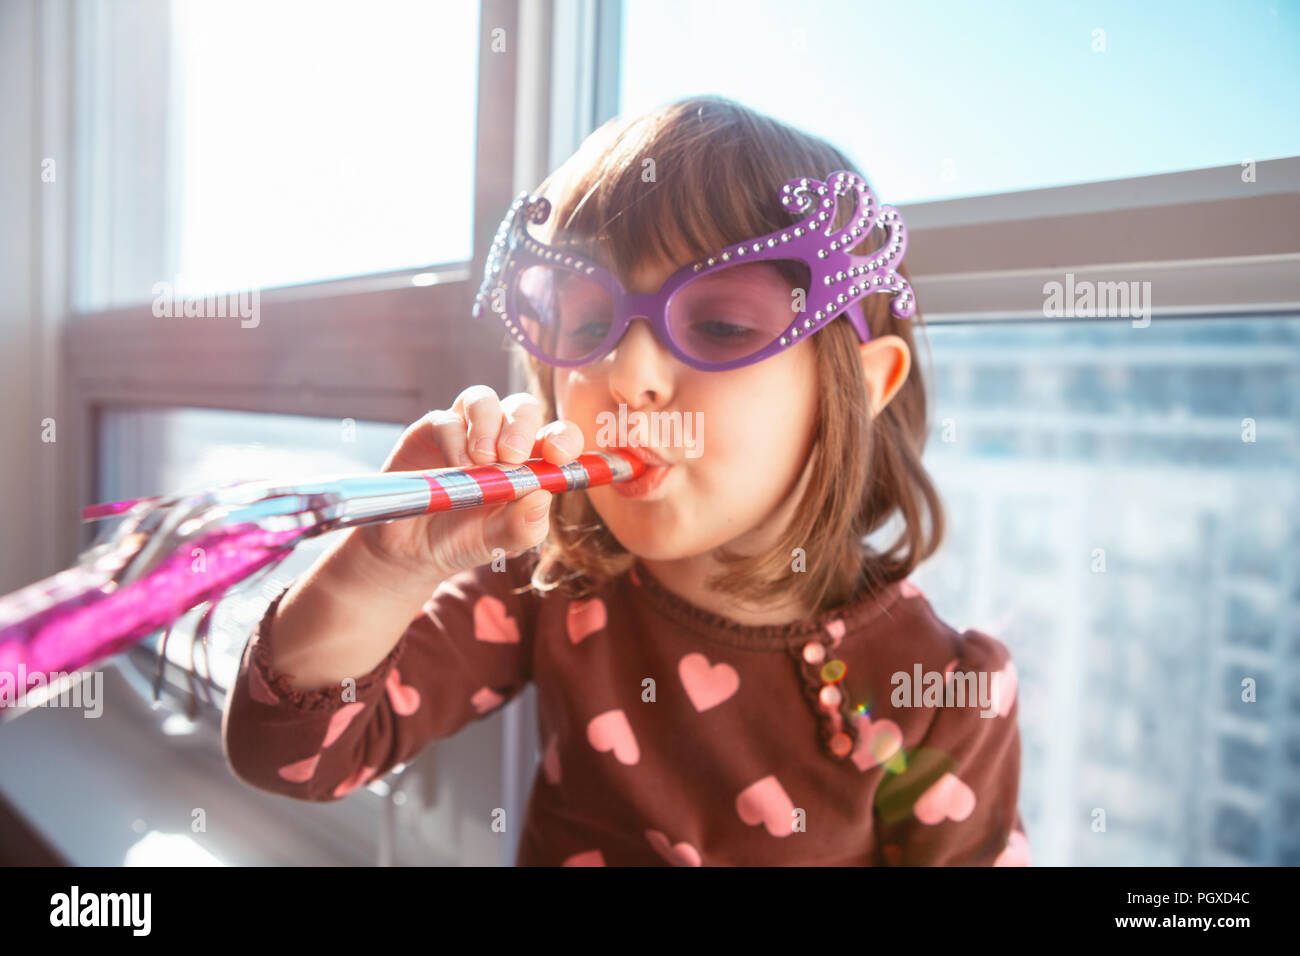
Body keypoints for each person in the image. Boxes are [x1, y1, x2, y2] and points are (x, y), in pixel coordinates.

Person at [221, 95, 1030, 866]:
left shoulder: (943, 698)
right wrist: (385, 567)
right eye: (587, 324)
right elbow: (290, 757)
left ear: (864, 384)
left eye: (720, 324)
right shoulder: (552, 588)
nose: (628, 374)